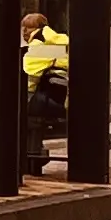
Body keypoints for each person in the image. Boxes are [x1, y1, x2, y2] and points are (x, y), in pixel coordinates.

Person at [21, 9, 69, 171]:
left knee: (15, 111)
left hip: (49, 100)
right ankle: (33, 154)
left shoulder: (39, 45)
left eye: (28, 27)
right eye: (23, 27)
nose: (24, 31)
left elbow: (28, 75)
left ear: (38, 29)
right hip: (61, 98)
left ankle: (31, 156)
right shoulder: (57, 43)